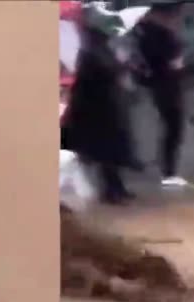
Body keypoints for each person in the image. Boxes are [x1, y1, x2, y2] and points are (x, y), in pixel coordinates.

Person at [61, 8, 139, 205]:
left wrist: (123, 65)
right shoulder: (91, 53)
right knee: (107, 153)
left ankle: (116, 188)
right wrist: (122, 66)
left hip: (106, 107)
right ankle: (112, 191)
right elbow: (103, 74)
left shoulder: (99, 50)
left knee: (110, 153)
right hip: (99, 111)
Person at [133, 1, 189, 188]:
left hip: (150, 84)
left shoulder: (142, 32)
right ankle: (169, 171)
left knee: (158, 125)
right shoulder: (166, 36)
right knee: (174, 128)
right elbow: (175, 65)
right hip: (169, 86)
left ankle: (157, 163)